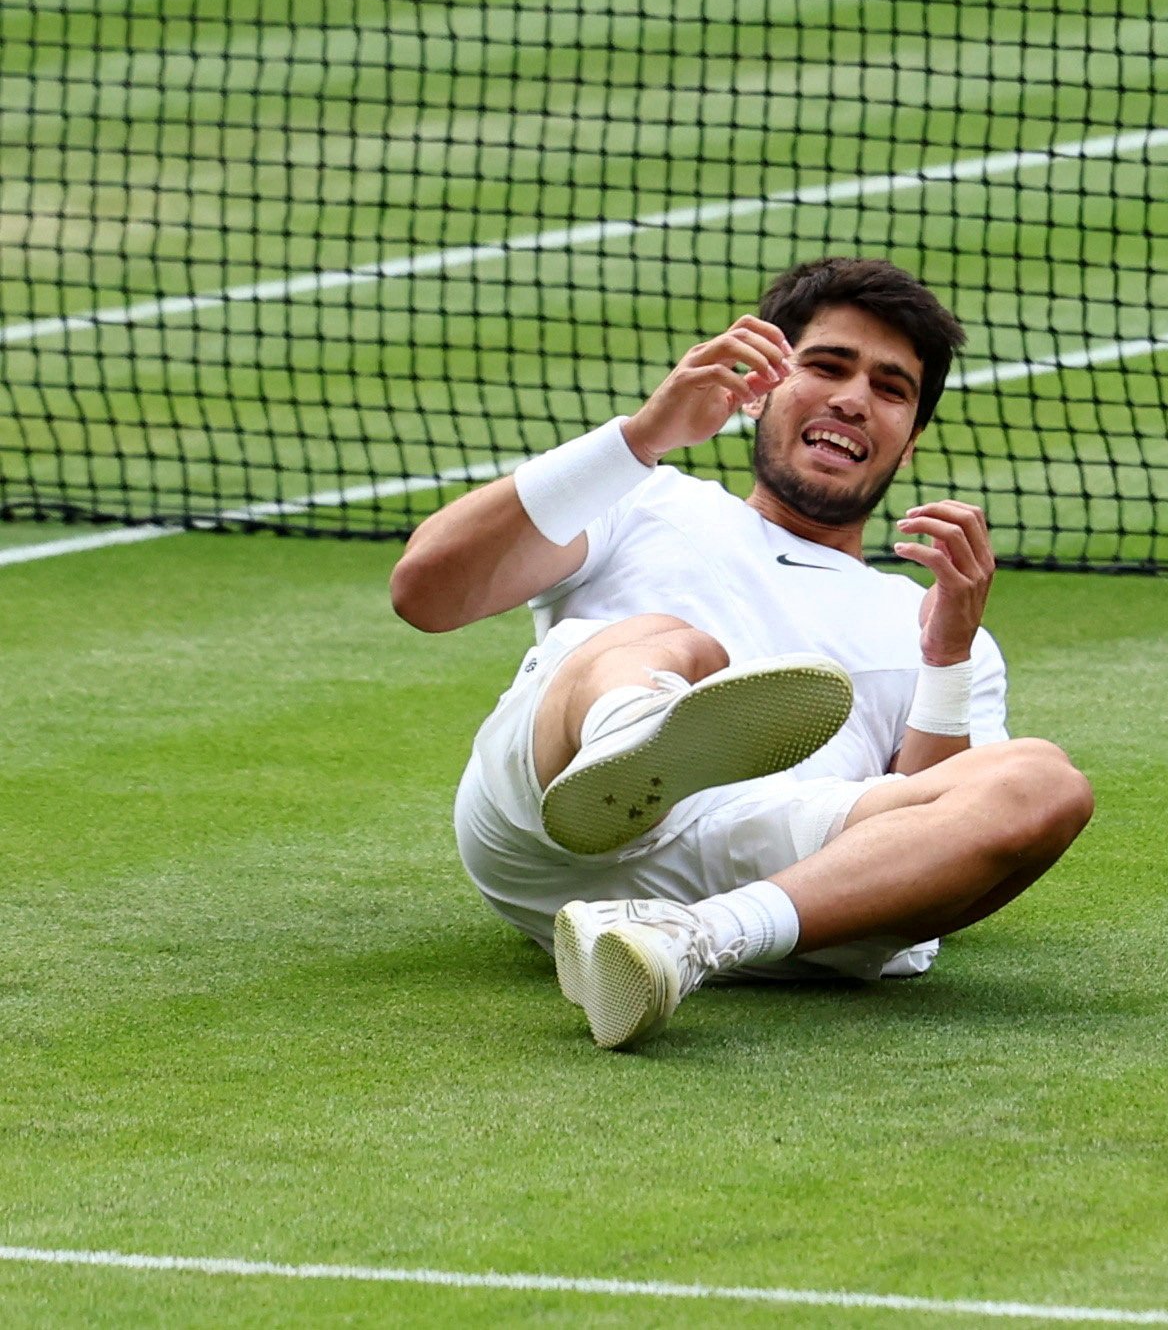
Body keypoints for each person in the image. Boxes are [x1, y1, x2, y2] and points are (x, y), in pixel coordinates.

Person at [390, 257, 1093, 1049]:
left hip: (765, 866)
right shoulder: (644, 496)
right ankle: (630, 740)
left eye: (891, 390)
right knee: (677, 643)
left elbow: (936, 858)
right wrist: (643, 435)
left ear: (912, 435)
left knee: (1045, 781)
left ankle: (682, 943)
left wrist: (946, 657)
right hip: (550, 813)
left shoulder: (935, 624)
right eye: (828, 366)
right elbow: (426, 592)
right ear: (760, 385)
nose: (854, 399)